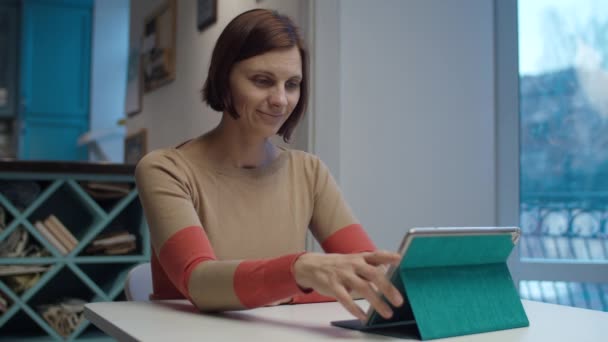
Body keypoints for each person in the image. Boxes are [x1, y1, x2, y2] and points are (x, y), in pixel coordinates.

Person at [135, 8, 403, 321]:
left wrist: (289, 284)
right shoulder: (165, 170)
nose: (280, 99)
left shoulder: (309, 172)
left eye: (292, 84)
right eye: (262, 81)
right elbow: (199, 283)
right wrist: (299, 271)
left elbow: (370, 277)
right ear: (223, 79)